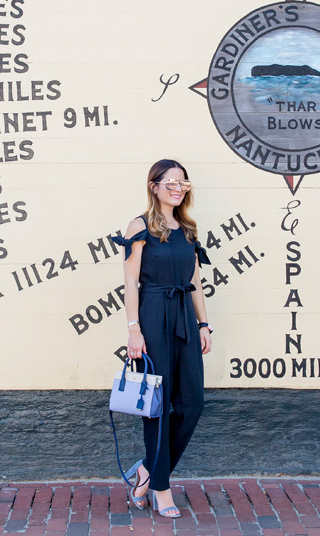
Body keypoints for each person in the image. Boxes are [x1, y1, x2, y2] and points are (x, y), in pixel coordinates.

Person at [112, 159, 213, 518]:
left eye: (182, 182)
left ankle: (145, 470)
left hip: (184, 316)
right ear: (153, 186)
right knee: (157, 407)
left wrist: (204, 324)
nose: (177, 186)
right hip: (153, 315)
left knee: (192, 403)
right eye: (169, 181)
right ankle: (160, 488)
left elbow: (196, 281)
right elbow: (129, 282)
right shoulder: (139, 227)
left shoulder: (187, 228)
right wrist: (133, 328)